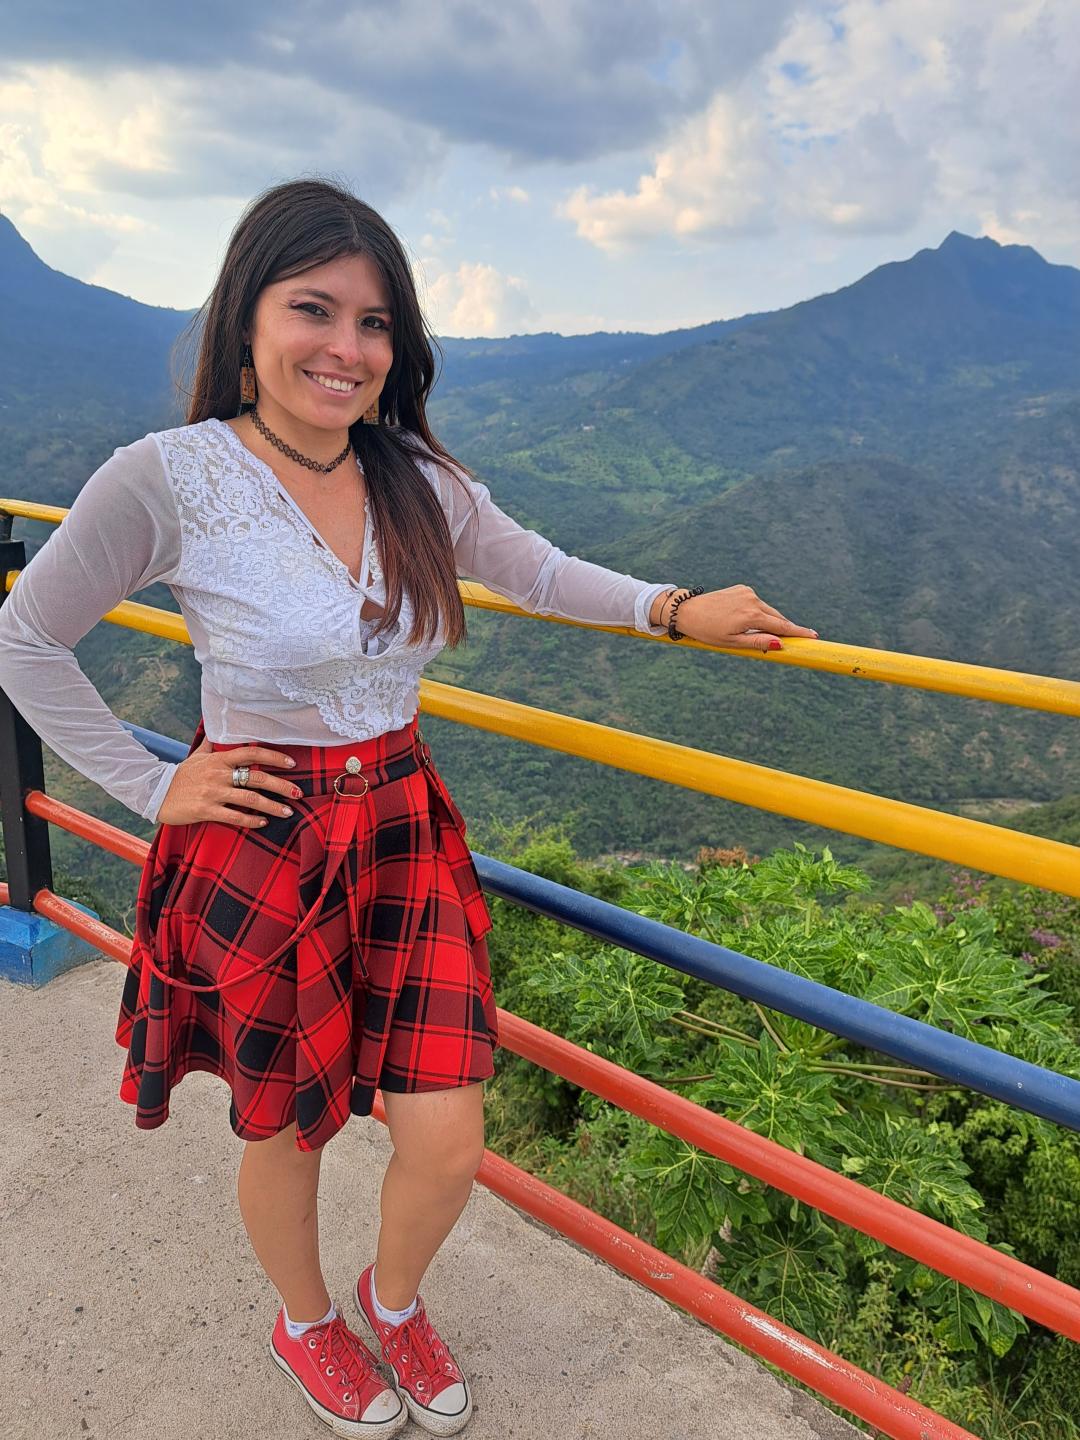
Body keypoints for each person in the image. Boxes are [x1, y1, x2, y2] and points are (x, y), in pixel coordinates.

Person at [0, 176, 817, 1438]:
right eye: (314, 309)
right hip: (266, 838)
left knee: (446, 1135)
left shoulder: (415, 477)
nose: (347, 347)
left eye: (374, 323)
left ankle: (394, 1299)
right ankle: (306, 1322)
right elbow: (26, 638)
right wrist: (159, 786)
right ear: (247, 315)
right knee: (291, 1128)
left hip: (399, 826)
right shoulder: (168, 478)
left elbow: (534, 569)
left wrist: (671, 607)